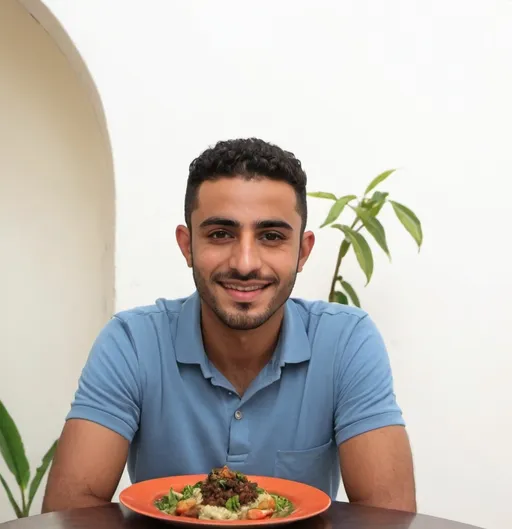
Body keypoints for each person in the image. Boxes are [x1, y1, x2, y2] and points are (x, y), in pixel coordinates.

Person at [42, 138, 416, 513]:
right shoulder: (131, 343)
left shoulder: (346, 342)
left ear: (302, 252)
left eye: (271, 236)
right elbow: (70, 513)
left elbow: (388, 516)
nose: (245, 262)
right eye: (221, 234)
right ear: (187, 245)